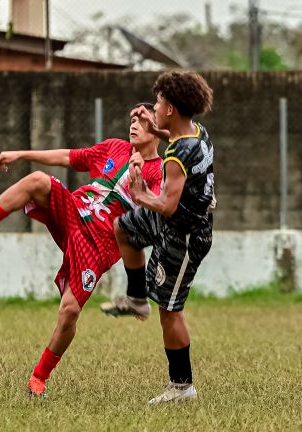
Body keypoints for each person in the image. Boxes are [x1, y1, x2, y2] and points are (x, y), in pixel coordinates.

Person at [0, 103, 163, 397]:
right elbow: (66, 157)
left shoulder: (159, 170)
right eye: (132, 118)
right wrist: (21, 154)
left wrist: (139, 183)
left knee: (69, 312)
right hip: (76, 212)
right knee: (38, 180)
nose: (134, 124)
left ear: (157, 129)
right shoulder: (113, 148)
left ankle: (39, 377)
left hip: (100, 244)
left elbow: (154, 211)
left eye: (142, 121)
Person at [101, 71, 215, 404]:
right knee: (124, 227)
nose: (155, 105)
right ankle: (136, 298)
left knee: (170, 308)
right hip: (177, 220)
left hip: (186, 234)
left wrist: (139, 193)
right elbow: (176, 139)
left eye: (159, 101)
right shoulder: (197, 132)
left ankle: (182, 387)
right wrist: (155, 131)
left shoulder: (176, 157)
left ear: (171, 108)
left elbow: (166, 204)